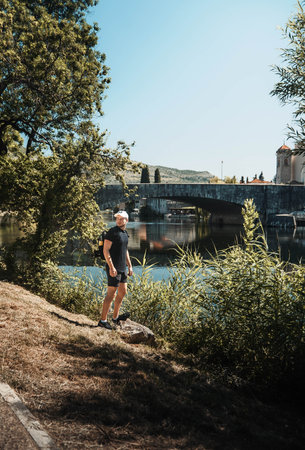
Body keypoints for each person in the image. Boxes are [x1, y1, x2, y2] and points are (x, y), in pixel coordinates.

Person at [98, 210, 133, 330]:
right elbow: (105, 250)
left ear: (126, 220)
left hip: (123, 268)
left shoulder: (125, 233)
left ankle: (115, 317)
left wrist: (130, 265)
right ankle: (103, 321)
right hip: (114, 267)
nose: (118, 220)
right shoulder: (112, 232)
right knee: (111, 295)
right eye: (117, 218)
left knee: (123, 292)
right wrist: (111, 267)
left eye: (121, 218)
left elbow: (125, 250)